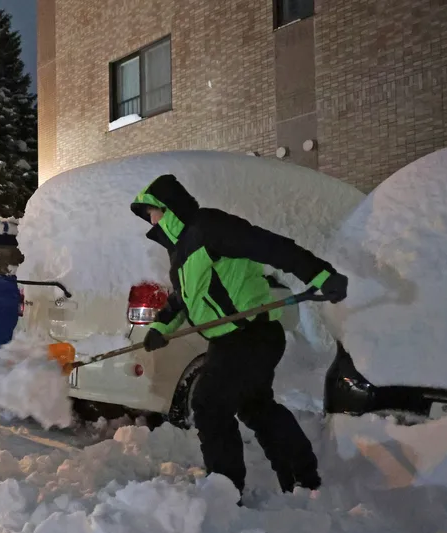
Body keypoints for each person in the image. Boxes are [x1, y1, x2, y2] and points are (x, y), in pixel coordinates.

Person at [130, 174, 348, 496]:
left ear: (169, 207)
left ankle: (225, 490)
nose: (152, 220)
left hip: (250, 335)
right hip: (230, 341)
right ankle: (302, 477)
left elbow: (270, 246)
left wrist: (320, 274)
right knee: (255, 407)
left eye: (153, 212)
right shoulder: (179, 253)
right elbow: (182, 299)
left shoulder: (210, 227)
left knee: (209, 405)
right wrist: (161, 328)